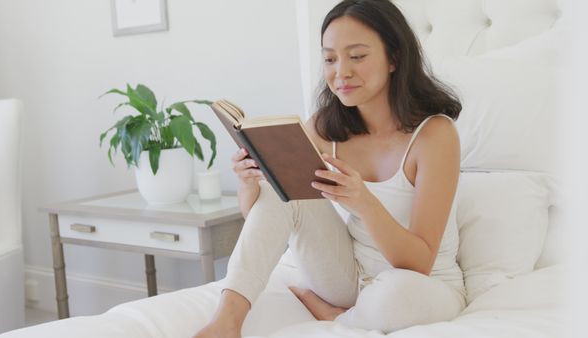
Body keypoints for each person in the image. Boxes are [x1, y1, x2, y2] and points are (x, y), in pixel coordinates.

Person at [194, 0, 464, 336]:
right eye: (330, 59)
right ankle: (227, 321)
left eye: (357, 56)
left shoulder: (435, 135)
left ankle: (337, 317)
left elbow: (419, 263)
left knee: (395, 297)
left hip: (422, 284)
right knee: (285, 192)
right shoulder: (324, 128)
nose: (341, 72)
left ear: (394, 58)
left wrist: (362, 201)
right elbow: (272, 217)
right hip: (348, 275)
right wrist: (250, 184)